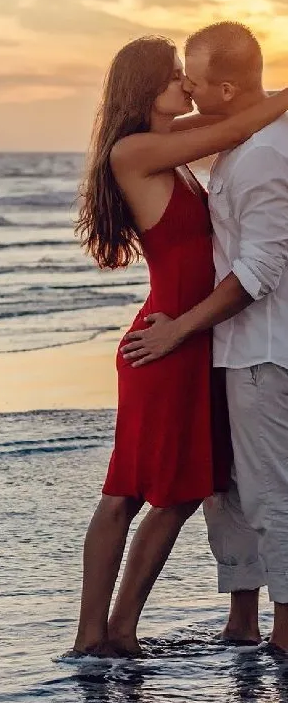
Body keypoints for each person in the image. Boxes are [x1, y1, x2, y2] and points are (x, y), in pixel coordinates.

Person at [72, 33, 288, 658]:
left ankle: (119, 632)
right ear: (147, 88)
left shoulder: (166, 146)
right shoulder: (136, 150)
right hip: (165, 342)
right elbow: (229, 126)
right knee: (129, 491)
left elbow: (226, 112)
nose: (185, 87)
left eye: (187, 77)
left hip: (190, 338)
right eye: (174, 77)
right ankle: (96, 635)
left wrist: (242, 93)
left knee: (182, 490)